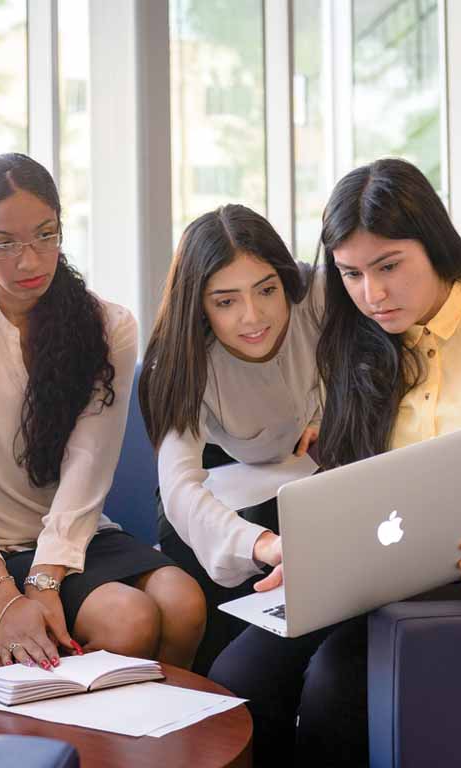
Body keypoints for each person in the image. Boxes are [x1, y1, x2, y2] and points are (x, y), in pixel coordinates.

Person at [209, 158, 461, 766]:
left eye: (388, 267)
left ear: (432, 243)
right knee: (237, 674)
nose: (372, 294)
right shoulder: (358, 343)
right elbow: (362, 489)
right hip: (391, 573)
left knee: (337, 682)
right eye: (351, 274)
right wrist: (318, 563)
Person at [0, 152, 206, 670]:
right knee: (126, 620)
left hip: (67, 535)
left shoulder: (107, 325)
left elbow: (90, 460)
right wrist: (5, 596)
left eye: (46, 235)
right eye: (4, 243)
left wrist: (48, 576)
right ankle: (86, 746)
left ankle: (153, 740)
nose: (30, 260)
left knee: (184, 602)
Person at [138, 204, 323, 674]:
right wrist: (260, 544)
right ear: (199, 306)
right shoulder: (181, 361)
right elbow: (180, 488)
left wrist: (335, 415)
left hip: (305, 478)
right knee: (237, 659)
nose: (253, 316)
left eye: (266, 290)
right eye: (225, 301)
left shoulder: (321, 295)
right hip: (221, 501)